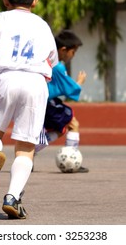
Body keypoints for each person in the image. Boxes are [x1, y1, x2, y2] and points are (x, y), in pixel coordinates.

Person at [0, 0, 58, 219]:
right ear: (35, 2)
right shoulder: (43, 24)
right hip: (36, 82)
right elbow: (51, 59)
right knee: (26, 147)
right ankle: (12, 197)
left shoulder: (0, 18)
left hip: (7, 78)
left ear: (5, 0)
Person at [35, 29, 89, 173]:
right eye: (73, 52)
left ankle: (29, 152)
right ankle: (72, 160)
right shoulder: (58, 66)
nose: (73, 55)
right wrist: (79, 82)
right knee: (73, 123)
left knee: (60, 129)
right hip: (48, 103)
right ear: (64, 50)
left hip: (40, 102)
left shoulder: (45, 60)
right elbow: (70, 91)